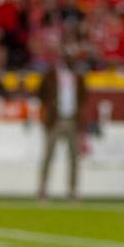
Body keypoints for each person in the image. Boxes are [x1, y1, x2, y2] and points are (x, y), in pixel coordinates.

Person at [37, 48, 89, 201]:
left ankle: (72, 191)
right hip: (55, 119)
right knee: (48, 155)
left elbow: (83, 96)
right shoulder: (52, 75)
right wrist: (49, 107)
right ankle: (43, 189)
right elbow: (41, 93)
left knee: (74, 157)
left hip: (72, 120)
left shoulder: (77, 77)